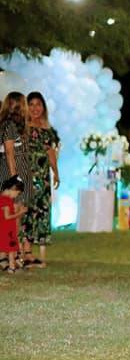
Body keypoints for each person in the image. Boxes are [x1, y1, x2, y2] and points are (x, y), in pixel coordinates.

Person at [22, 92, 59, 268]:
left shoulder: (48, 130)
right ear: (26, 107)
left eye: (38, 104)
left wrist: (56, 173)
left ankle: (37, 255)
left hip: (43, 178)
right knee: (26, 213)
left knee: (42, 213)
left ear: (43, 107)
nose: (35, 108)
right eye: (32, 104)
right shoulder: (22, 127)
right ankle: (25, 254)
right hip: (26, 177)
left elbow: (50, 153)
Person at [0, 93, 31, 254]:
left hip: (21, 172)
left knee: (18, 216)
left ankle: (15, 253)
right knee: (12, 216)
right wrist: (15, 180)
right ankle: (8, 256)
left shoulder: (19, 126)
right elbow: (9, 153)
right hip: (12, 174)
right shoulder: (9, 125)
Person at [0, 175, 26, 274]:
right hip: (7, 230)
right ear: (13, 189)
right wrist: (20, 213)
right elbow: (7, 217)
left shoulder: (4, 199)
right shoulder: (5, 200)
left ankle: (12, 266)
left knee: (10, 249)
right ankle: (12, 267)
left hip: (7, 229)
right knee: (11, 249)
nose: (16, 196)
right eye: (18, 193)